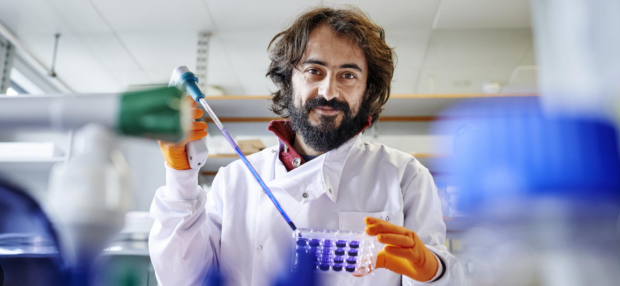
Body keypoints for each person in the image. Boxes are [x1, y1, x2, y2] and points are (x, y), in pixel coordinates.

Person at [150, 6, 465, 286]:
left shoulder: (405, 175)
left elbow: (439, 276)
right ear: (289, 79)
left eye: (348, 75)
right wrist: (180, 178)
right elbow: (183, 280)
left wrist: (433, 272)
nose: (329, 91)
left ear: (367, 91)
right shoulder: (235, 181)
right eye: (314, 70)